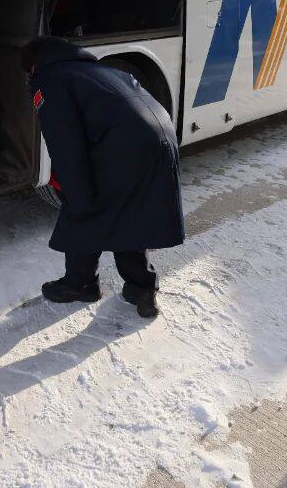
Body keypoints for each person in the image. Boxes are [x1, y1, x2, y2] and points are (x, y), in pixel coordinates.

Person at [22, 37, 185, 318]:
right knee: (129, 211)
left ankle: (80, 284)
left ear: (34, 65)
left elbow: (65, 142)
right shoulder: (105, 71)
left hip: (123, 146)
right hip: (162, 141)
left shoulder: (51, 79)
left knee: (84, 206)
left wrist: (77, 194)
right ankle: (141, 287)